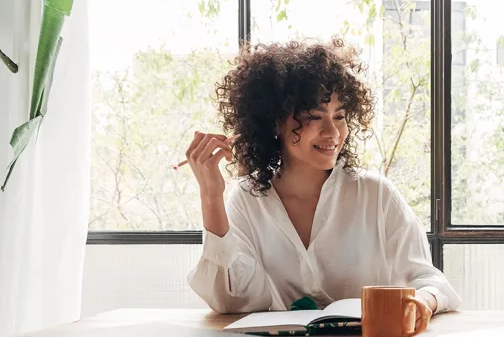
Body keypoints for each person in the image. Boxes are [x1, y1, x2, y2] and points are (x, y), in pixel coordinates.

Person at [185, 39, 461, 325]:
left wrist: (422, 302)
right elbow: (231, 302)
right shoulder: (247, 199)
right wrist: (211, 196)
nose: (333, 132)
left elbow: (430, 281)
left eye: (339, 116)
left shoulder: (375, 194)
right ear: (274, 123)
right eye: (314, 117)